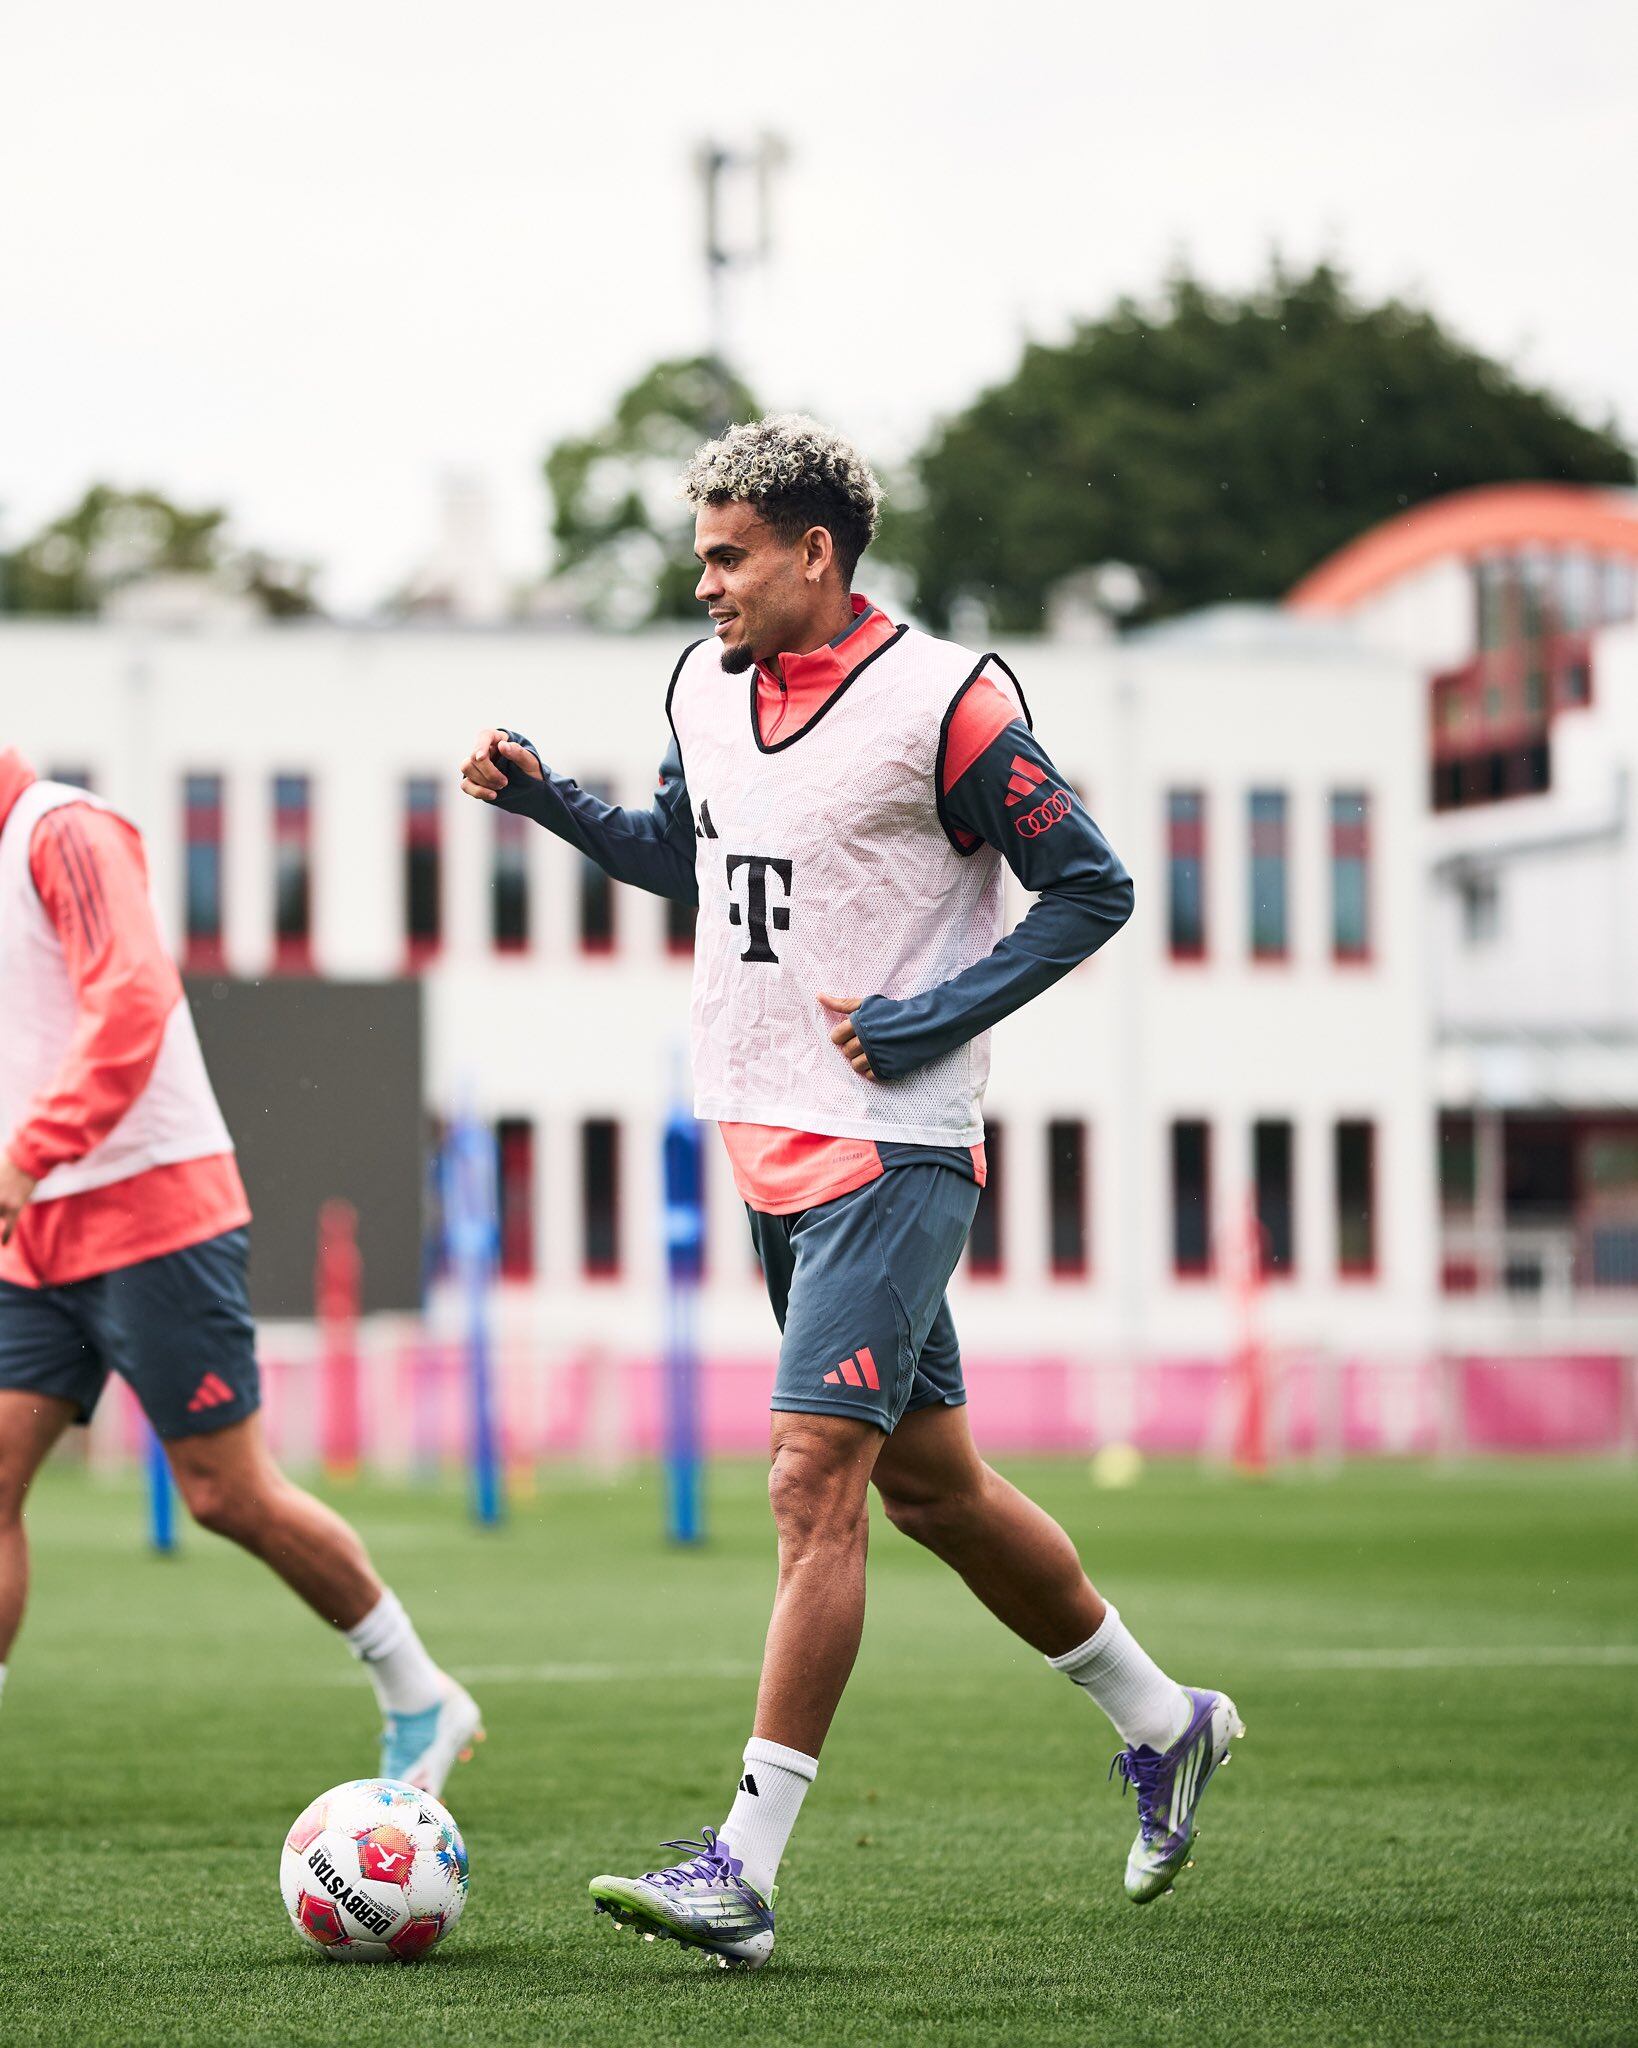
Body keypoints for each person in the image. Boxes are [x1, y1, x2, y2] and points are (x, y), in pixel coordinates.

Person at [459, 414, 1243, 1969]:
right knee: (932, 1490)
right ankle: (1167, 1723)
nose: (706, 586)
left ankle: (739, 1870)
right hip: (764, 1141)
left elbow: (1089, 882)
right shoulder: (701, 685)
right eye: (698, 557)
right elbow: (690, 860)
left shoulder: (945, 703)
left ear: (816, 550)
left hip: (894, 1155)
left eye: (728, 556)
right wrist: (550, 801)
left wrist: (928, 1017)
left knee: (809, 1479)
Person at [0, 748, 480, 1793]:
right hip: (33, 1237)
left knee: (226, 1492)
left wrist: (27, 1154)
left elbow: (132, 1003)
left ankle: (419, 1689)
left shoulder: (60, 829)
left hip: (152, 1215)